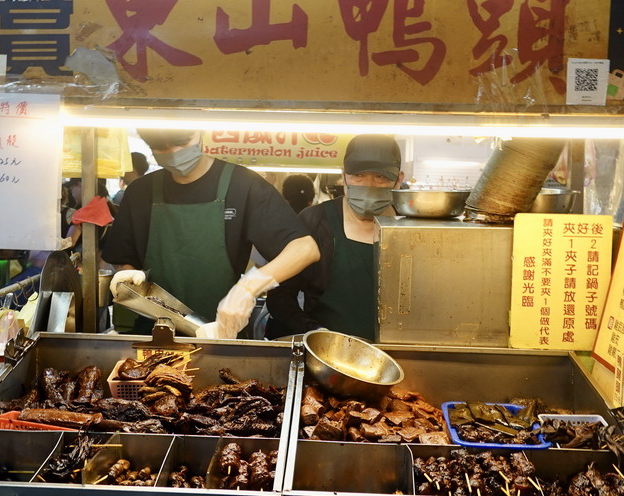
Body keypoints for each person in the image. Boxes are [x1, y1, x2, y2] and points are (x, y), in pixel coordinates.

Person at [102, 129, 319, 338]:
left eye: (181, 144)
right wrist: (127, 277)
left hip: (221, 333)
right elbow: (123, 258)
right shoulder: (140, 191)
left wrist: (248, 288)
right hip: (152, 334)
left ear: (200, 133)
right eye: (160, 147)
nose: (173, 153)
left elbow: (304, 248)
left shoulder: (244, 186)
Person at [265, 134, 403, 342]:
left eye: (381, 177)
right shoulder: (316, 221)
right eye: (358, 175)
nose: (368, 184)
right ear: (343, 175)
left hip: (396, 354)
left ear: (398, 180)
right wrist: (315, 332)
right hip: (328, 358)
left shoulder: (411, 228)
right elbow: (280, 295)